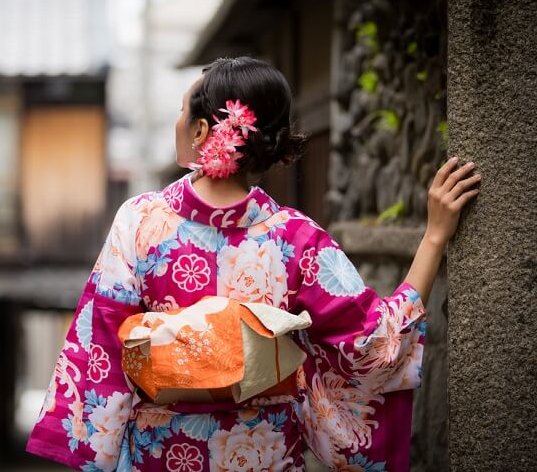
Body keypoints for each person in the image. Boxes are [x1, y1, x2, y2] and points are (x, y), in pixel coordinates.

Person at [25, 56, 481, 471]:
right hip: (262, 451)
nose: (177, 122)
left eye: (184, 111)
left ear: (203, 131)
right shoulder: (295, 237)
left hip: (160, 452)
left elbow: (102, 342)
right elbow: (373, 343)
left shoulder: (140, 220)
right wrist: (434, 235)